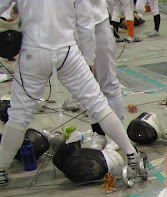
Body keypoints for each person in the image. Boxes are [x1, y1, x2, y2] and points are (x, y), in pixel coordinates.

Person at [0, 0, 145, 186]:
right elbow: (85, 23)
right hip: (67, 52)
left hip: (32, 52)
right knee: (98, 105)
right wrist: (88, 58)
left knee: (19, 116)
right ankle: (132, 154)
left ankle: (1, 169)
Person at [88, 0, 126, 150]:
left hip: (97, 25)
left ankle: (117, 135)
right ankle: (98, 133)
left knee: (108, 83)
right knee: (88, 87)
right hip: (72, 31)